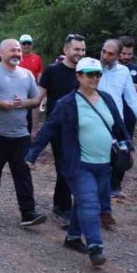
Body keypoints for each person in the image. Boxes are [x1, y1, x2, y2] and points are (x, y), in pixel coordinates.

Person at [26, 57, 133, 268]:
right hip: (78, 164)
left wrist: (127, 144)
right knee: (90, 203)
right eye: (89, 74)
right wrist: (32, 155)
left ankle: (73, 237)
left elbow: (118, 126)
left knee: (85, 202)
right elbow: (49, 128)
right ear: (79, 76)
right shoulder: (67, 103)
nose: (94, 78)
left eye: (97, 74)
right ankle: (95, 246)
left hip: (104, 164)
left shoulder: (107, 99)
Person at [0, 39, 47, 226]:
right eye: (12, 50)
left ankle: (28, 212)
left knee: (23, 173)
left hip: (21, 135)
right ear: (1, 53)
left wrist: (23, 103)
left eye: (18, 51)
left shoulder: (27, 75)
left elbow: (36, 100)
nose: (17, 54)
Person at [37, 34, 87, 226]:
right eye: (77, 49)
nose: (80, 53)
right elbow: (39, 97)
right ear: (66, 50)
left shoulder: (85, 72)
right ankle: (63, 208)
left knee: (74, 168)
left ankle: (64, 205)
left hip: (82, 128)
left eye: (83, 50)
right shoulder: (52, 71)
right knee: (65, 167)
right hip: (57, 129)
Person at [98, 39, 137, 207]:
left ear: (118, 55)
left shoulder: (124, 73)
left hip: (116, 123)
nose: (105, 56)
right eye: (103, 51)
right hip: (94, 122)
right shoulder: (92, 67)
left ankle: (107, 198)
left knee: (116, 158)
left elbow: (132, 99)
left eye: (110, 54)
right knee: (98, 161)